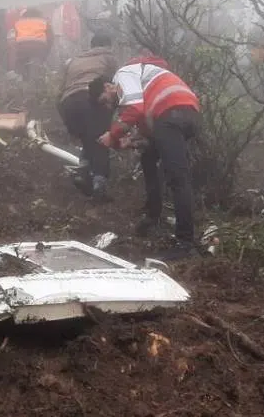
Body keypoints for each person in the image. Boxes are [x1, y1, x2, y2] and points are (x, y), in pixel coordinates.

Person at [91, 57, 201, 256]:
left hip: (172, 110)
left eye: (105, 101)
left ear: (108, 86)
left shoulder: (123, 74)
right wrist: (129, 141)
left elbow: (135, 109)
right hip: (184, 112)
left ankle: (185, 243)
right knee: (149, 158)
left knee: (177, 177)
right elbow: (147, 130)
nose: (109, 107)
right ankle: (152, 217)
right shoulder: (143, 85)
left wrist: (112, 134)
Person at [57, 34, 117, 199]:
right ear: (108, 45)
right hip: (91, 97)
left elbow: (62, 87)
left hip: (68, 102)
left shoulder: (75, 60)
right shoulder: (108, 57)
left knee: (87, 139)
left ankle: (84, 174)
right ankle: (100, 183)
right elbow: (114, 84)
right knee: (100, 140)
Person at [8, 7, 50, 81]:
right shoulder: (44, 22)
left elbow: (12, 39)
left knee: (22, 64)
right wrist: (46, 54)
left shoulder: (18, 23)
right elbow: (50, 38)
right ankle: (41, 81)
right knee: (40, 66)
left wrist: (17, 53)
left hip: (23, 48)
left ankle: (21, 75)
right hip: (39, 48)